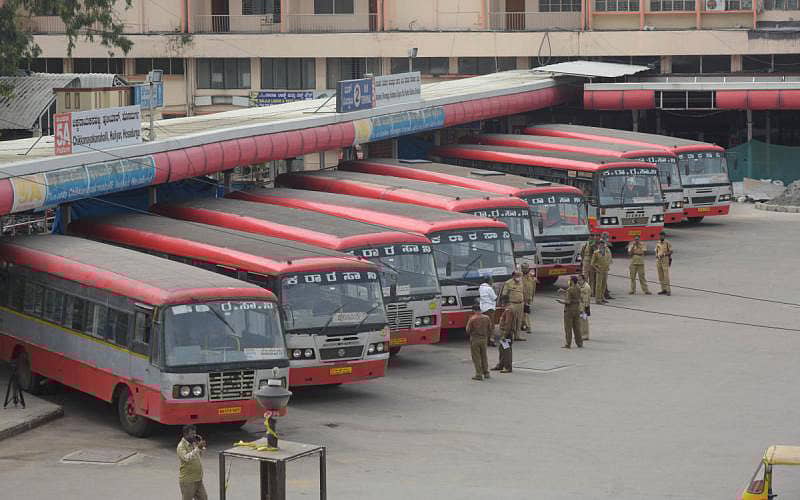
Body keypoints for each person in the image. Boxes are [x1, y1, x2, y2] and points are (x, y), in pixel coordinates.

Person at [177, 424, 207, 500]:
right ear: (185, 434)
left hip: (198, 479)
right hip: (188, 481)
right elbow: (186, 458)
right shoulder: (181, 446)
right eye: (192, 434)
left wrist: (200, 445)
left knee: (204, 498)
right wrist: (198, 448)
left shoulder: (194, 443)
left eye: (195, 433)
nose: (194, 435)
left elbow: (200, 454)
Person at [466, 304, 492, 381]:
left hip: (475, 339)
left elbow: (468, 330)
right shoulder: (487, 318)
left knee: (476, 357)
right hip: (484, 339)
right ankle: (486, 373)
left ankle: (478, 374)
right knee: (484, 356)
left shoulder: (472, 319)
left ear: (473, 310)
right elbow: (490, 328)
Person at [500, 270, 526, 341]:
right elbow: (504, 295)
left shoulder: (521, 282)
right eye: (517, 275)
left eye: (519, 276)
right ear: (513, 276)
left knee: (519, 320)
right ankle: (507, 335)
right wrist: (505, 304)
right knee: (510, 321)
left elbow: (523, 292)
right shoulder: (508, 283)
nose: (519, 277)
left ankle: (517, 335)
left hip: (520, 304)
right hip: (512, 304)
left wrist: (525, 303)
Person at [491, 301, 516, 373]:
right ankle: (501, 365)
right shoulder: (510, 309)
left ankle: (507, 367)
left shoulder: (508, 310)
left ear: (504, 302)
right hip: (505, 333)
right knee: (501, 349)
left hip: (506, 334)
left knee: (506, 350)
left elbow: (508, 323)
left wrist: (504, 335)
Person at [558, 276, 583, 349]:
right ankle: (579, 343)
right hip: (577, 309)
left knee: (568, 328)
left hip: (569, 310)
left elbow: (568, 301)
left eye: (569, 280)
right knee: (577, 327)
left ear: (572, 281)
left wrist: (561, 301)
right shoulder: (578, 288)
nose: (568, 281)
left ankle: (568, 343)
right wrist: (564, 291)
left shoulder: (570, 289)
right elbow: (575, 296)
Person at [478, 277, 497, 346]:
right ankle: (491, 340)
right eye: (492, 280)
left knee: (485, 325)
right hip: (490, 308)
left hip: (483, 308)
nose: (492, 281)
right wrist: (494, 290)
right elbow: (494, 298)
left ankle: (486, 340)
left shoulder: (481, 287)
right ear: (489, 281)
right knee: (491, 325)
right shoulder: (489, 289)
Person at [520, 263, 537, 333]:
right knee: (522, 313)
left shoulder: (531, 277)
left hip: (527, 298)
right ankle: (522, 325)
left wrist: (532, 297)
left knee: (525, 313)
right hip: (521, 297)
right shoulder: (519, 276)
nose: (525, 269)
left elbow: (533, 288)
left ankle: (528, 327)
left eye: (526, 268)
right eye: (524, 268)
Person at [578, 274, 592, 341]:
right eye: (578, 280)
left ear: (583, 280)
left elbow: (587, 298)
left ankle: (585, 335)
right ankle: (580, 334)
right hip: (579, 306)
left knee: (584, 321)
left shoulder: (587, 287)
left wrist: (584, 309)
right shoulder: (578, 285)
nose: (579, 281)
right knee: (580, 321)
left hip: (584, 307)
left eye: (580, 280)